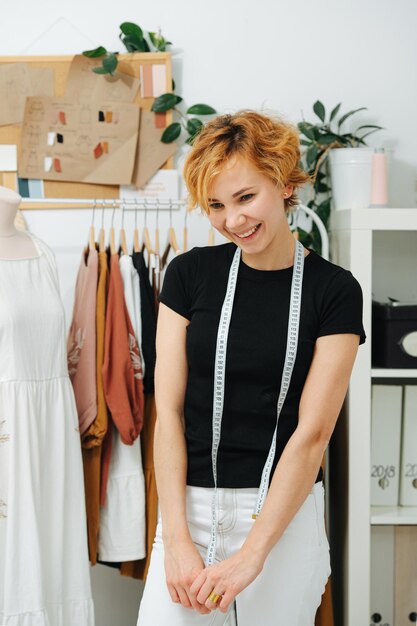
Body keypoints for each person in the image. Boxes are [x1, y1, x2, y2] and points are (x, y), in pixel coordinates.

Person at [137, 110, 366, 626]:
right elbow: (167, 412)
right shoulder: (188, 274)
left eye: (245, 198)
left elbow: (312, 434)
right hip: (187, 511)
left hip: (280, 518)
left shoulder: (334, 292)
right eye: (216, 205)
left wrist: (253, 554)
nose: (231, 220)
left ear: (284, 184)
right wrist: (175, 539)